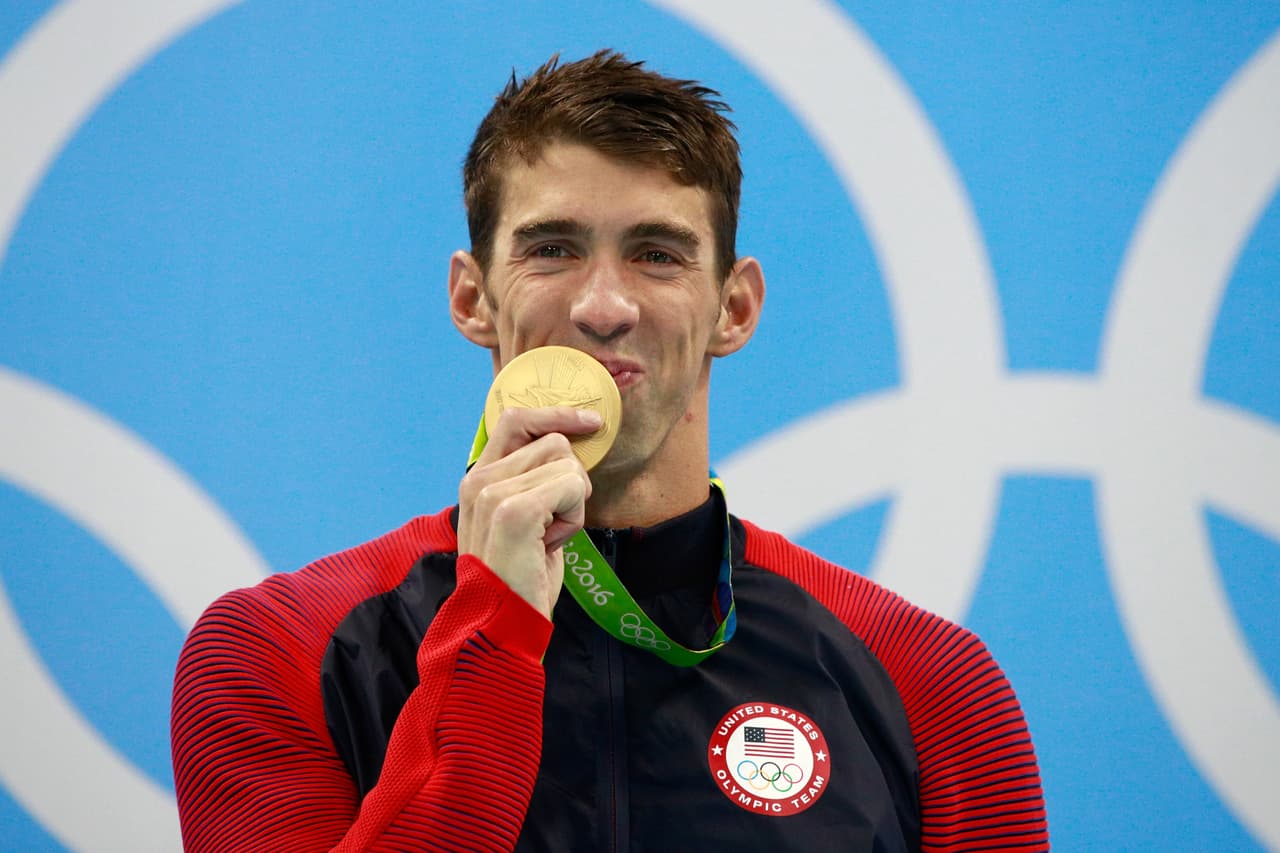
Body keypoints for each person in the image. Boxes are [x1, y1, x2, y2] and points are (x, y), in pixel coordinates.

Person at [171, 50, 1050, 852]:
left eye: (657, 255)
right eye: (552, 249)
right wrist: (495, 626)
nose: (603, 306)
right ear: (473, 297)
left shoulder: (929, 681)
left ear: (734, 310)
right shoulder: (278, 650)